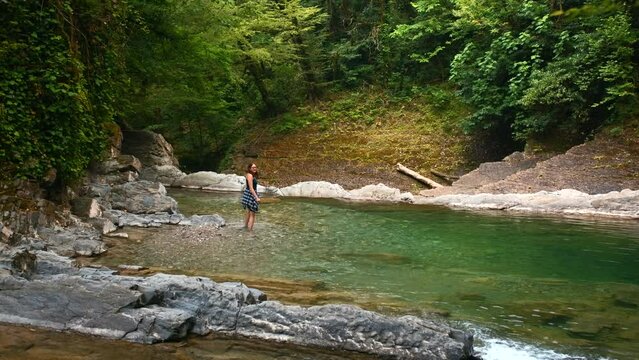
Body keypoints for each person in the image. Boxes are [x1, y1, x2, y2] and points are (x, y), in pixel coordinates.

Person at [241, 163, 261, 231]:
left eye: (255, 167)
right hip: (250, 194)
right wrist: (256, 197)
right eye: (253, 167)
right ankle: (250, 231)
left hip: (250, 194)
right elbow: (251, 188)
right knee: (253, 213)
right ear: (249, 168)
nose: (254, 168)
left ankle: (246, 227)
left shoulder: (252, 175)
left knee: (249, 212)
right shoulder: (249, 175)